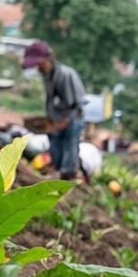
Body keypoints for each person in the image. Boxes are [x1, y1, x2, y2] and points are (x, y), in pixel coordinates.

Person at [22, 40, 86, 180]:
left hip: (71, 119)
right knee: (55, 150)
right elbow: (52, 101)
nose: (38, 67)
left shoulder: (64, 74)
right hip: (57, 120)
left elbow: (75, 104)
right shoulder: (47, 76)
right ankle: (57, 172)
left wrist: (65, 121)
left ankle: (68, 178)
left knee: (69, 149)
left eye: (39, 64)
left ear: (48, 59)